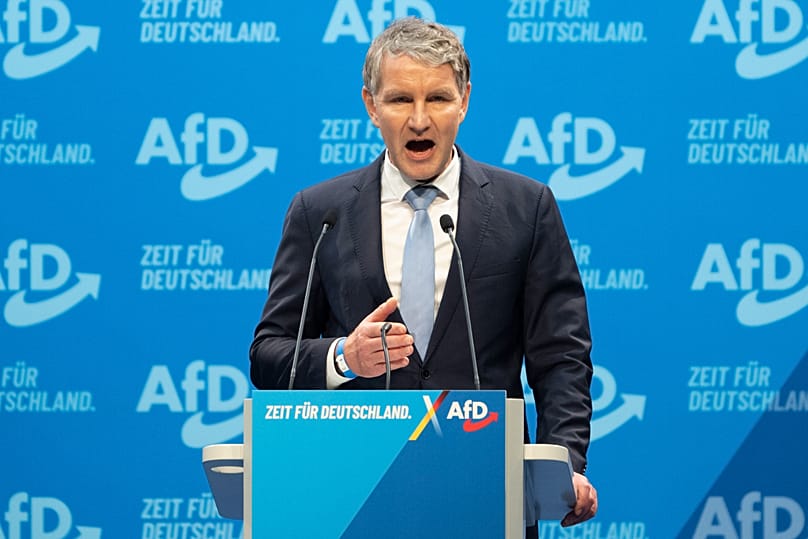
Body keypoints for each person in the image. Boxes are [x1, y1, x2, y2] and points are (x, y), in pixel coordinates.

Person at [250, 17, 597, 531]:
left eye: (437, 98)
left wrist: (563, 462)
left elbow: (561, 355)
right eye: (399, 100)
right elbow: (268, 356)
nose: (419, 120)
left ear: (464, 101)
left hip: (486, 490)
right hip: (354, 490)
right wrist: (343, 357)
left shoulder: (527, 207)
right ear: (370, 105)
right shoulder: (319, 214)